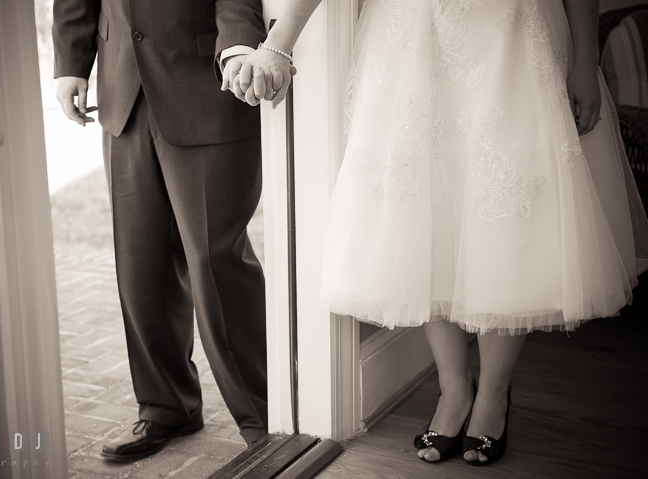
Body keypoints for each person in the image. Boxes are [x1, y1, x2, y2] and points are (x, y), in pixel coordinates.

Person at [229, 0, 648, 467]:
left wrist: (586, 65)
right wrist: (277, 45)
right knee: (420, 210)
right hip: (411, 36)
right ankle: (454, 390)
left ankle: (492, 393)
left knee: (509, 210)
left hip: (513, 33)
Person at [53, 0, 270, 460]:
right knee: (140, 262)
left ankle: (267, 419)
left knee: (216, 261)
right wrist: (71, 61)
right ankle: (165, 405)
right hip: (122, 87)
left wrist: (238, 46)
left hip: (209, 80)